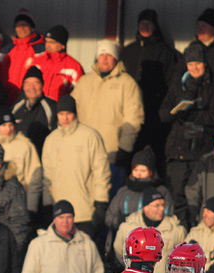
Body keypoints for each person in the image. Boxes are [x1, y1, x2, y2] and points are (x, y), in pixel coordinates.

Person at [160, 41, 214, 228]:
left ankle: (201, 230)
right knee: (179, 193)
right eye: (191, 65)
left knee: (201, 195)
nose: (194, 68)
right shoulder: (178, 84)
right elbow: (163, 113)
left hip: (202, 148)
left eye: (197, 64)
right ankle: (184, 229)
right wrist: (178, 111)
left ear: (205, 64)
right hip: (179, 149)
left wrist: (192, 115)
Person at [41, 95, 110, 240]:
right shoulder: (51, 140)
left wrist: (100, 203)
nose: (65, 118)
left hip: (84, 211)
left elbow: (101, 171)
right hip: (59, 212)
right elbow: (47, 175)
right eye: (61, 114)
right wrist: (47, 203)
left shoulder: (90, 136)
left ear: (75, 114)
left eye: (68, 114)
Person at [19, 200, 105, 273]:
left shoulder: (87, 244)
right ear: (54, 219)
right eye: (61, 217)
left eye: (69, 217)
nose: (65, 221)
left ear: (74, 218)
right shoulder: (38, 245)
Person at [72, 39, 145, 173]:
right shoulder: (84, 82)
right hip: (82, 150)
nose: (104, 59)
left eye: (109, 55)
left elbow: (133, 118)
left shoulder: (127, 84)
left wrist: (124, 148)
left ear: (116, 58)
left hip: (111, 152)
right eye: (101, 55)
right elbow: (70, 113)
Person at [121, 9, 180, 166]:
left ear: (155, 26)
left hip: (154, 110)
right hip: (130, 109)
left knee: (154, 150)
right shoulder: (128, 51)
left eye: (148, 24)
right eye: (141, 23)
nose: (144, 27)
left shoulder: (165, 52)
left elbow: (171, 83)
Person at [0, 111, 42, 220]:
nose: (8, 129)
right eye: (4, 125)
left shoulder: (25, 145)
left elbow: (34, 180)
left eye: (10, 125)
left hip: (19, 200)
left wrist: (31, 208)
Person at [114, 188, 187, 273]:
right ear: (145, 207)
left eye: (162, 205)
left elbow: (183, 258)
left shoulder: (176, 229)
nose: (161, 209)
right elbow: (120, 251)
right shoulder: (127, 227)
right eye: (157, 205)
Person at [104, 146, 174, 233]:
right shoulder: (124, 191)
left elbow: (169, 217)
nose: (138, 174)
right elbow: (109, 216)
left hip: (151, 239)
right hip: (125, 239)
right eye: (136, 170)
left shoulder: (161, 192)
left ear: (150, 172)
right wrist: (120, 221)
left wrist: (151, 223)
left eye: (143, 170)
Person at [0, 9, 45, 105]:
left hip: (31, 100)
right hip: (7, 100)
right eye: (18, 25)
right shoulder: (6, 50)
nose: (21, 28)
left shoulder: (41, 50)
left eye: (25, 25)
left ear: (31, 27)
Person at [27, 25, 84, 102]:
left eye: (52, 42)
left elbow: (79, 95)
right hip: (38, 108)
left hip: (59, 110)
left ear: (62, 45)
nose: (47, 45)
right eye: (46, 41)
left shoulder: (73, 66)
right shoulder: (36, 60)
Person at [11, 66, 57, 158]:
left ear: (42, 85)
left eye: (36, 83)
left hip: (42, 158)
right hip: (18, 158)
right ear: (23, 86)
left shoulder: (51, 107)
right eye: (27, 83)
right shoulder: (16, 107)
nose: (31, 87)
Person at [185, 196, 214, 271]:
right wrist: (210, 255)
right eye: (204, 211)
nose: (204, 215)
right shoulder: (195, 231)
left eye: (208, 211)